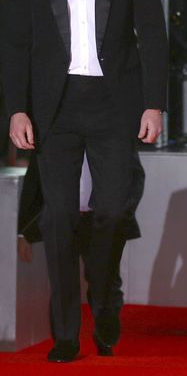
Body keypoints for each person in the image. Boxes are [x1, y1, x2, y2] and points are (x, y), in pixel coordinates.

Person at [1, 0, 168, 363]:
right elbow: (15, 44)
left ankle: (104, 290)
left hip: (115, 101)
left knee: (114, 210)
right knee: (56, 220)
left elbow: (153, 34)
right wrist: (16, 110)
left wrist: (155, 102)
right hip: (54, 106)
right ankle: (67, 334)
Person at [17, 151, 145, 356]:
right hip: (63, 218)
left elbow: (135, 176)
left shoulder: (112, 134)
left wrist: (121, 214)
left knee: (105, 281)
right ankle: (65, 340)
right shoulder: (55, 136)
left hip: (101, 220)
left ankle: (104, 334)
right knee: (62, 278)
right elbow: (35, 183)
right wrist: (23, 231)